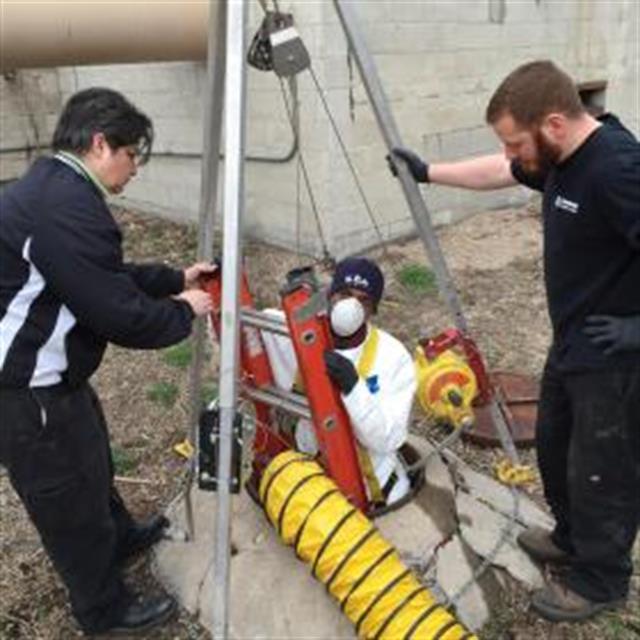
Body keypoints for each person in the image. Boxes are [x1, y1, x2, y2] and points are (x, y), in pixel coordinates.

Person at [389, 60, 639, 623]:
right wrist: (429, 171)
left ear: (552, 123)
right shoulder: (560, 158)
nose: (512, 155)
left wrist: (635, 329)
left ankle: (601, 581)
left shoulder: (618, 168)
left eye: (515, 143)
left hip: (617, 360)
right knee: (554, 447)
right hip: (575, 341)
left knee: (603, 470)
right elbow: (501, 172)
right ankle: (573, 540)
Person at [0, 88, 214, 635]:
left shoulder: (57, 190)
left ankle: (118, 538)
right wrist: (182, 312)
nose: (135, 167)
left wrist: (173, 279)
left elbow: (100, 273)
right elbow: (121, 316)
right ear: (100, 144)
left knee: (90, 459)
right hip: (24, 388)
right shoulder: (66, 207)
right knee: (66, 497)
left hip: (52, 375)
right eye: (131, 153)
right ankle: (103, 611)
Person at [262, 257, 417, 506]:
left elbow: (388, 439)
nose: (350, 306)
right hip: (310, 486)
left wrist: (354, 389)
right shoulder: (296, 336)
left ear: (374, 309)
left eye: (363, 299)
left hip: (372, 493)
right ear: (329, 297)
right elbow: (243, 331)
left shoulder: (393, 358)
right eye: (344, 294)